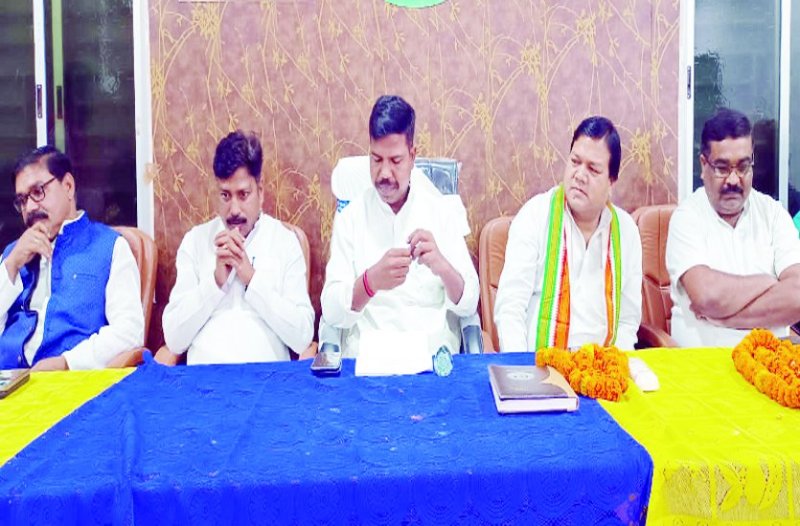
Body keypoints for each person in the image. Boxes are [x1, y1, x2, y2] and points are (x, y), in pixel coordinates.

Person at [321, 95, 479, 357]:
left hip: (430, 358)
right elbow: (331, 311)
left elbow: (469, 303)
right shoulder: (351, 218)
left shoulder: (440, 212)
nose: (384, 173)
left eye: (395, 161)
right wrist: (370, 282)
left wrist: (441, 265)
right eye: (376, 159)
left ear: (412, 156)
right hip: (369, 359)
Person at [161, 131, 314, 364]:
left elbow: (302, 337)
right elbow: (173, 339)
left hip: (265, 378)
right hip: (204, 378)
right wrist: (215, 283)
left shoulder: (284, 241)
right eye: (225, 195)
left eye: (243, 195)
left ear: (260, 192)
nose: (233, 210)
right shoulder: (195, 242)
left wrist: (251, 279)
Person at [493, 116, 642, 352]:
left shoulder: (626, 231)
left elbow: (627, 321)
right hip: (540, 365)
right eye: (575, 161)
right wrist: (522, 369)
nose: (580, 175)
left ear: (611, 181)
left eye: (593, 169)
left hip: (601, 368)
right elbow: (510, 309)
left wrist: (618, 366)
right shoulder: (535, 215)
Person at [0, 146, 144, 370]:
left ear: (68, 186)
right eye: (22, 199)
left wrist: (67, 362)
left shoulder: (109, 247)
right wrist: (11, 266)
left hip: (68, 381)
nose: (29, 207)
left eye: (37, 192)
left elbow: (129, 331)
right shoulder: (13, 254)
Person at [666, 108, 800, 346]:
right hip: (704, 361)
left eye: (743, 167)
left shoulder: (774, 214)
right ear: (703, 165)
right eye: (722, 168)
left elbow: (797, 296)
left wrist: (725, 318)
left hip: (769, 360)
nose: (733, 180)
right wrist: (768, 282)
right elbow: (707, 296)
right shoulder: (687, 218)